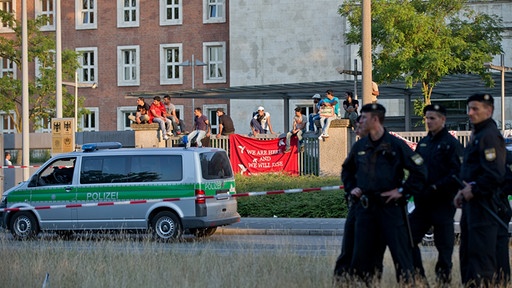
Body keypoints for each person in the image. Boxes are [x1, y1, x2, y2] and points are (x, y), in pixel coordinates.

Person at [341, 103, 427, 284]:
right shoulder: (360, 146)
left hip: (391, 210)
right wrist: (351, 188)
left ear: (375, 119)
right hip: (366, 210)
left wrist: (403, 191)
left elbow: (420, 171)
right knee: (364, 258)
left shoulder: (396, 145)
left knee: (402, 257)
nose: (360, 120)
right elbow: (346, 170)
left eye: (364, 117)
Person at [454, 93, 508, 287]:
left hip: (484, 207)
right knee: (468, 256)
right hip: (473, 206)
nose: (470, 113)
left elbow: (495, 174)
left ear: (489, 110)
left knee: (481, 261)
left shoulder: (489, 136)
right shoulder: (477, 134)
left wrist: (474, 189)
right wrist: (463, 190)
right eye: (469, 108)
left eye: (475, 109)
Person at [408, 104, 463, 284]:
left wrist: (436, 187)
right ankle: (419, 279)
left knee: (444, 249)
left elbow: (457, 174)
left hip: (442, 205)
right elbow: (415, 168)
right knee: (407, 239)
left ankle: (443, 282)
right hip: (422, 205)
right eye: (427, 118)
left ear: (443, 120)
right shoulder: (424, 143)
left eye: (432, 118)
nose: (428, 121)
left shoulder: (451, 144)